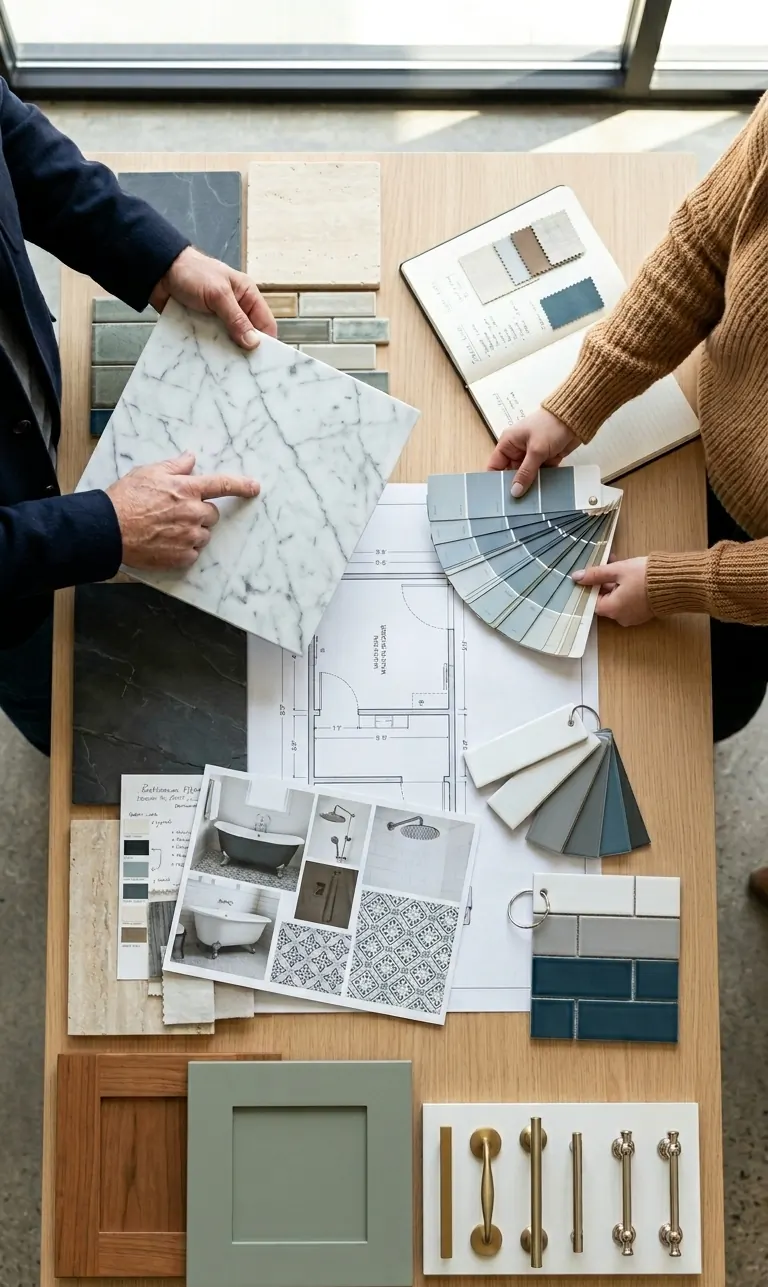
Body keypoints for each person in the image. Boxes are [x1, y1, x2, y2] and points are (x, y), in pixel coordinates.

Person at [487, 92, 768, 904]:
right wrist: (575, 400)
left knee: (709, 709)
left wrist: (686, 585)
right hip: (708, 453)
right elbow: (702, 249)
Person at [0, 79, 277, 757]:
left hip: (29, 432)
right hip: (13, 592)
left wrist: (162, 259)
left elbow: (15, 143)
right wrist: (105, 526)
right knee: (75, 716)